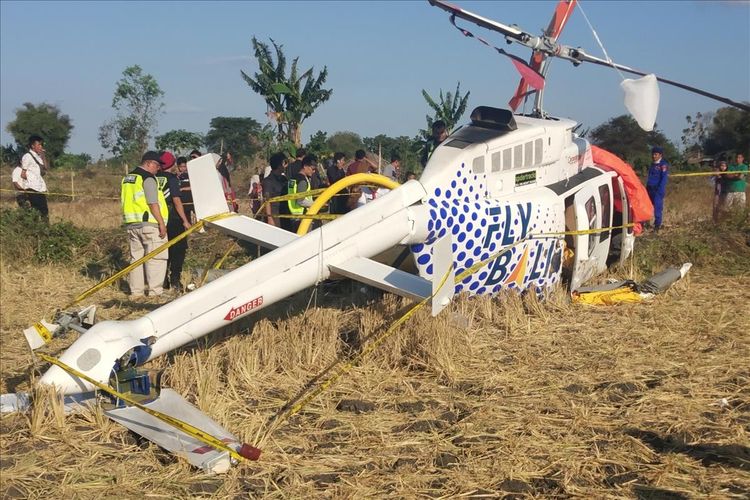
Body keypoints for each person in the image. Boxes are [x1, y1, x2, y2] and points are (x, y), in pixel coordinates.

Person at [121, 151, 169, 297]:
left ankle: (136, 293)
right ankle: (155, 292)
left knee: (136, 259)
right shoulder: (147, 178)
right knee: (156, 258)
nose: (159, 169)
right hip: (149, 224)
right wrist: (161, 223)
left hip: (132, 224)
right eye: (157, 165)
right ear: (148, 163)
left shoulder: (128, 178)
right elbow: (152, 202)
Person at [157, 151, 192, 292]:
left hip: (157, 218)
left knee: (161, 250)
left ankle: (161, 280)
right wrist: (185, 220)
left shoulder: (153, 178)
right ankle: (175, 280)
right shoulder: (172, 179)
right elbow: (177, 200)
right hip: (173, 218)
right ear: (172, 164)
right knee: (178, 249)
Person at [20, 135, 49, 220]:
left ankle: (45, 230)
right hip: (32, 187)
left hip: (40, 187)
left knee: (44, 210)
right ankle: (35, 229)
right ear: (33, 146)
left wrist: (43, 156)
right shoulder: (27, 156)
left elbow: (46, 168)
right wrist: (29, 182)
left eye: (41, 145)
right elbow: (23, 174)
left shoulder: (38, 157)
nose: (41, 147)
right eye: (39, 145)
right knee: (36, 210)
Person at [287, 154, 317, 233]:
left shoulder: (293, 179)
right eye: (312, 169)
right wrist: (316, 204)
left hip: (293, 216)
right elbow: (301, 201)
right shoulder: (302, 181)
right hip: (301, 218)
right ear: (305, 166)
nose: (314, 171)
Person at [261, 152, 289, 228]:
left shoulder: (284, 179)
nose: (286, 166)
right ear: (279, 165)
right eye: (284, 163)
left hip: (285, 216)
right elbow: (267, 201)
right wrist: (270, 219)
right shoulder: (268, 181)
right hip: (275, 217)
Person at [645, 146, 669, 232]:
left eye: (656, 154)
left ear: (660, 155)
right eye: (653, 154)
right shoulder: (652, 165)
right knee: (647, 207)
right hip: (649, 189)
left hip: (657, 190)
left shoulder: (663, 165)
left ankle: (657, 226)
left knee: (657, 209)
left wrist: (660, 190)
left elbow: (664, 179)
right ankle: (646, 223)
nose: (654, 156)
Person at [175, 156, 194, 224]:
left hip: (191, 203)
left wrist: (183, 189)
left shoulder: (190, 175)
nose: (183, 168)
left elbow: (193, 187)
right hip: (182, 204)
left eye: (184, 166)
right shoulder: (175, 177)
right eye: (181, 167)